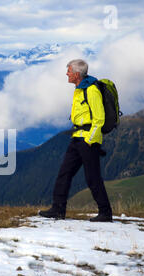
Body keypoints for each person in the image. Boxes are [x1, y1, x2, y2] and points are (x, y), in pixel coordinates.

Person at [38, 59, 113, 222]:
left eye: (69, 71)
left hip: (87, 140)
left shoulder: (91, 90)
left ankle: (105, 213)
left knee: (93, 178)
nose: (67, 74)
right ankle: (58, 210)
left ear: (77, 74)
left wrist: (90, 140)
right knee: (64, 173)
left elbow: (99, 118)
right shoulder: (79, 89)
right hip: (77, 138)